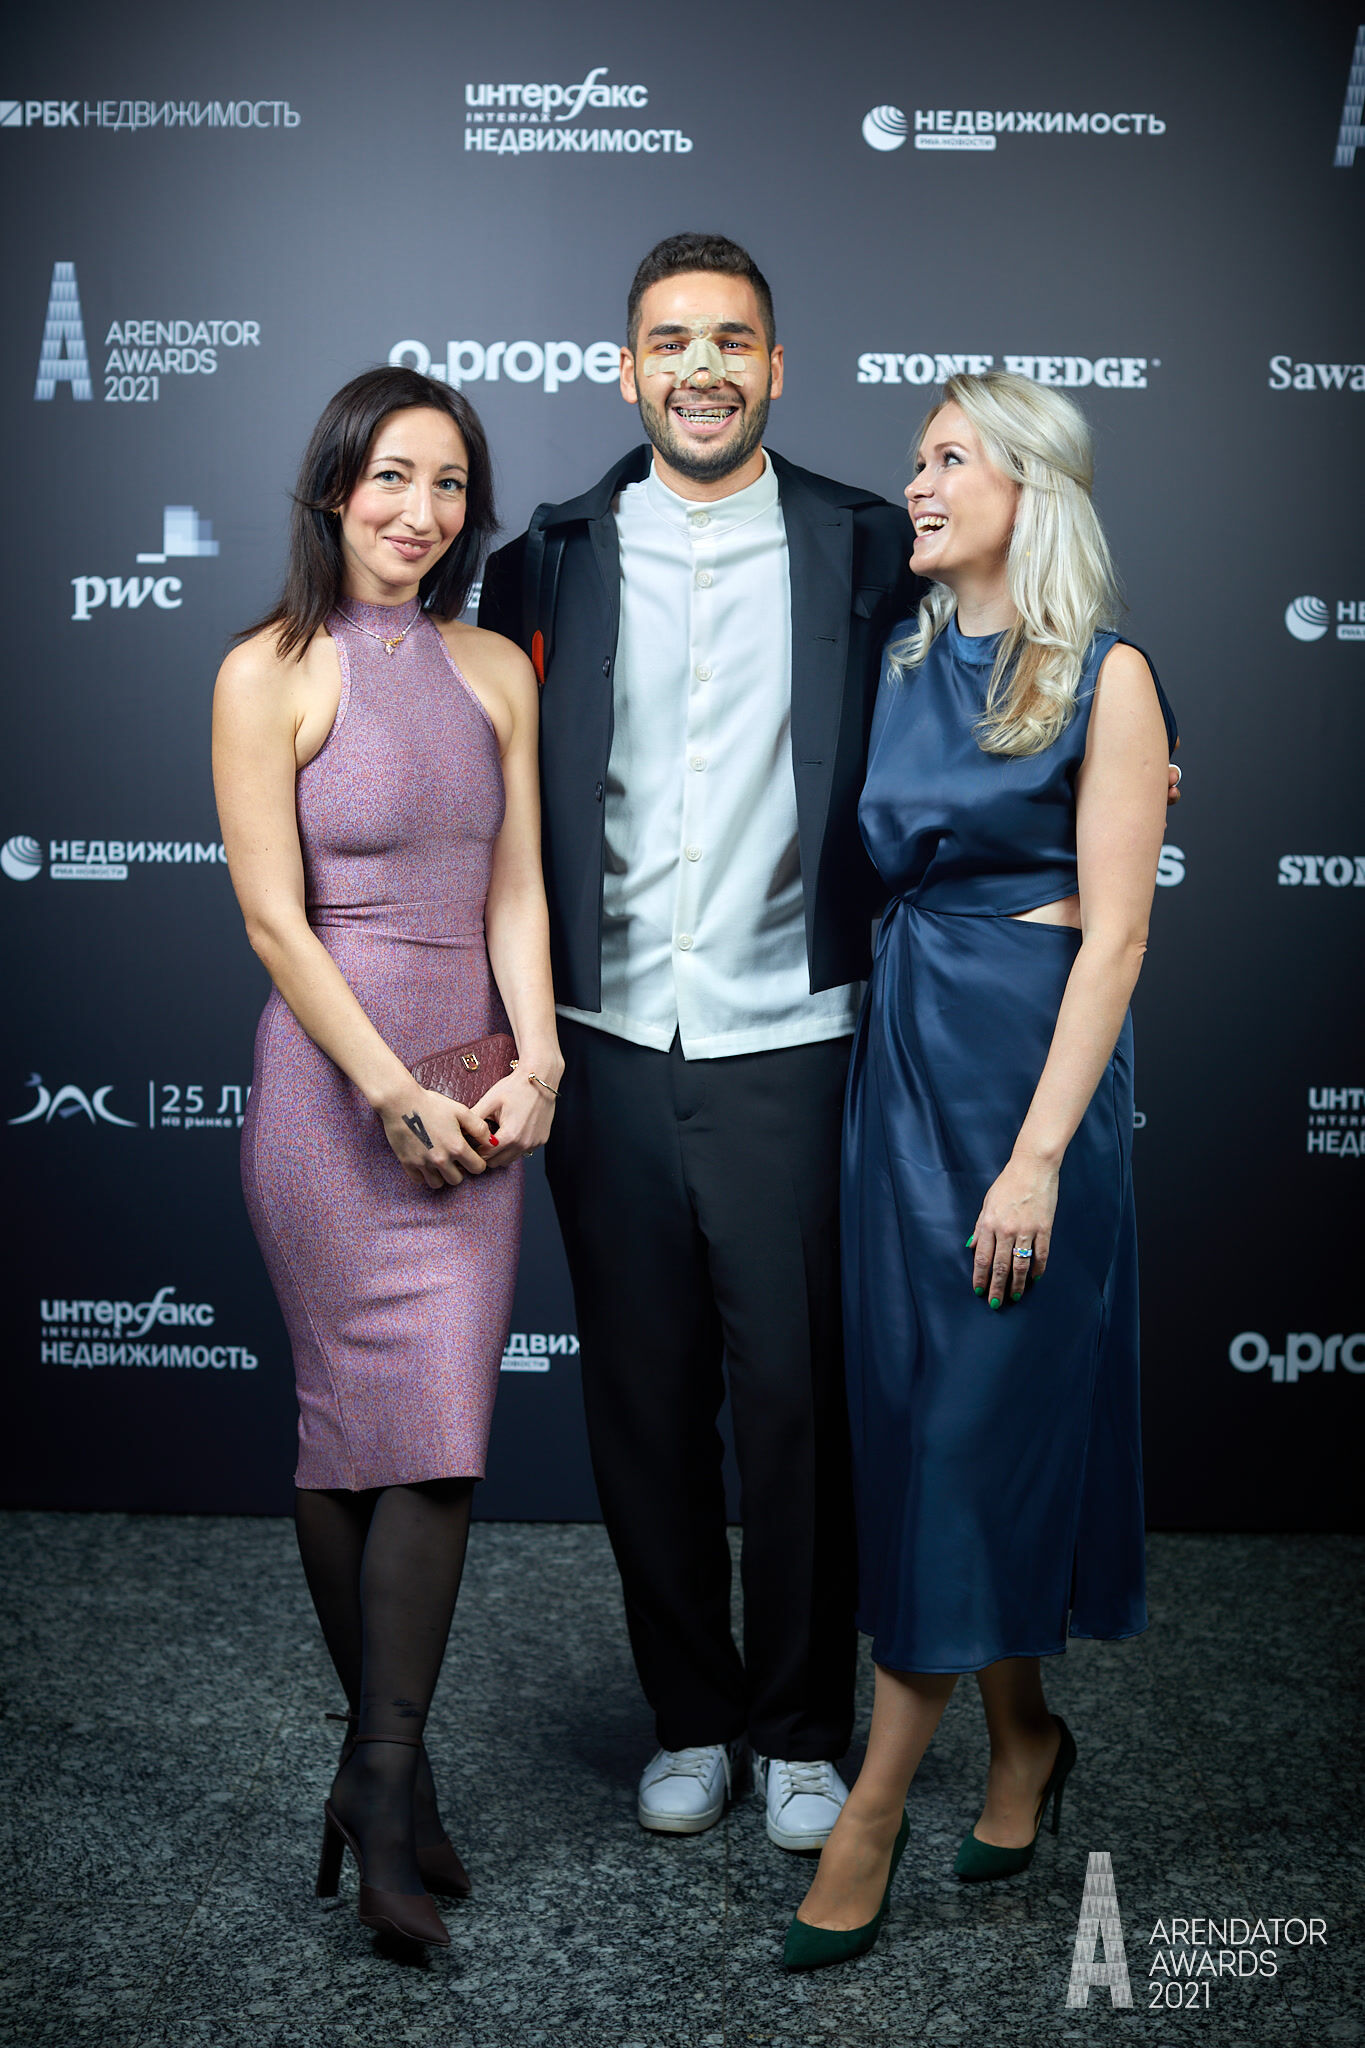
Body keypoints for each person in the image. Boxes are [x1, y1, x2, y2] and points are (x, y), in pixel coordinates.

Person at [479, 233, 920, 1853]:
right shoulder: (545, 560)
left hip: (790, 1037)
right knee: (642, 1406)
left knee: (794, 1405)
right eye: (671, 341)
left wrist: (1123, 752)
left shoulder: (867, 545)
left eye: (732, 339)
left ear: (776, 367)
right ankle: (691, 1717)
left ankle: (800, 1731)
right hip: (599, 1044)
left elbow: (1009, 658)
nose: (703, 368)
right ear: (627, 372)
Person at [782, 371, 1176, 1970]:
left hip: (1028, 1083)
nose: (918, 483)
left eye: (950, 458)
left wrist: (1034, 1163)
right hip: (903, 1063)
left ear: (1030, 488)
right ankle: (1023, 1737)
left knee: (962, 1434)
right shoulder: (897, 657)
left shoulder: (1110, 677)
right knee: (931, 1429)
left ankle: (870, 1814)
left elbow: (1116, 941)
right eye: (918, 457)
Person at [213, 366, 561, 1949]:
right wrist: (384, 1095)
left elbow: (516, 889)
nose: (419, 511)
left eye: (448, 484)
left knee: (438, 1441)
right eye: (392, 478)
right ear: (335, 486)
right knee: (346, 1435)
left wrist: (538, 1055)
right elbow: (274, 919)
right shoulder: (267, 670)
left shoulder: (491, 668)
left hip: (474, 1094)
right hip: (330, 1102)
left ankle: (376, 1780)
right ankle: (391, 1788)